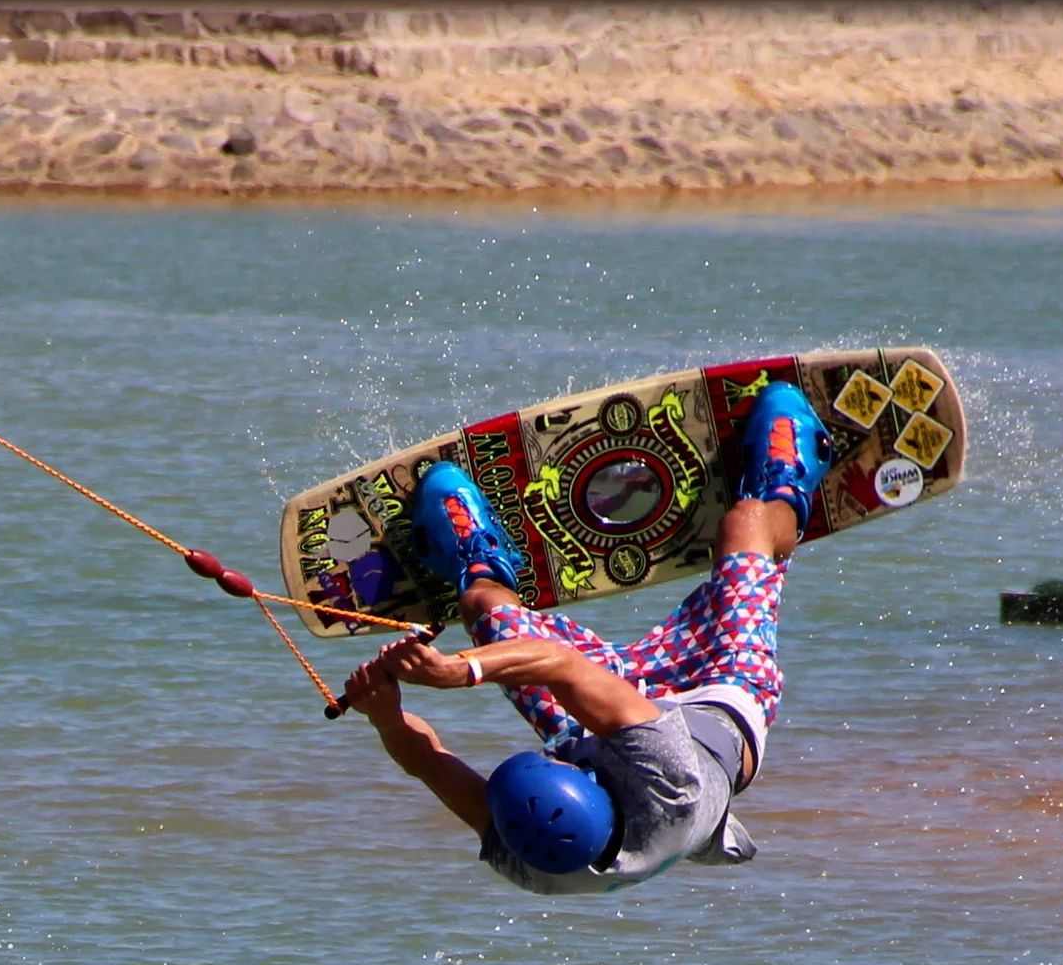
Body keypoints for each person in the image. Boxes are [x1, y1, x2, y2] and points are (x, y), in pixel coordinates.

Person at [339, 382, 833, 895]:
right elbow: (558, 664)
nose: (551, 755)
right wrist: (457, 670)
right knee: (743, 527)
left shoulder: (528, 852)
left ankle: (482, 564)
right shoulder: (669, 781)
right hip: (720, 696)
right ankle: (785, 488)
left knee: (485, 614)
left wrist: (385, 716)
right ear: (587, 782)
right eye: (554, 762)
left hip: (607, 726)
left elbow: (426, 760)